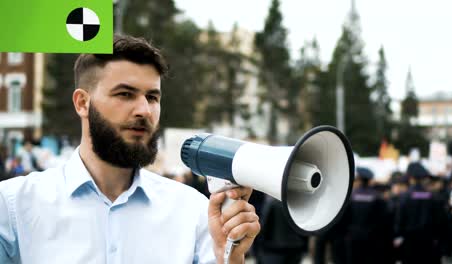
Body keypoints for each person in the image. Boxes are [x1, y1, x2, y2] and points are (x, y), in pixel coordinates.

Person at [0, 35, 260, 263]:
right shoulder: (13, 205)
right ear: (82, 103)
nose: (144, 110)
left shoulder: (192, 211)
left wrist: (230, 258)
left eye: (152, 97)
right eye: (125, 94)